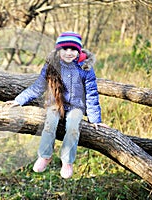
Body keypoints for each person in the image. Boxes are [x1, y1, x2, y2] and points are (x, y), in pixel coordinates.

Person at [6, 31, 108, 179]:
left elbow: (92, 94)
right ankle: (45, 155)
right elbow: (38, 87)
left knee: (73, 127)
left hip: (76, 106)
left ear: (78, 51)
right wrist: (19, 100)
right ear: (58, 50)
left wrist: (95, 120)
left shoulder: (85, 68)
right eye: (65, 49)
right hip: (55, 104)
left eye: (73, 49)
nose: (69, 53)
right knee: (50, 123)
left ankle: (67, 161)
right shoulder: (51, 66)